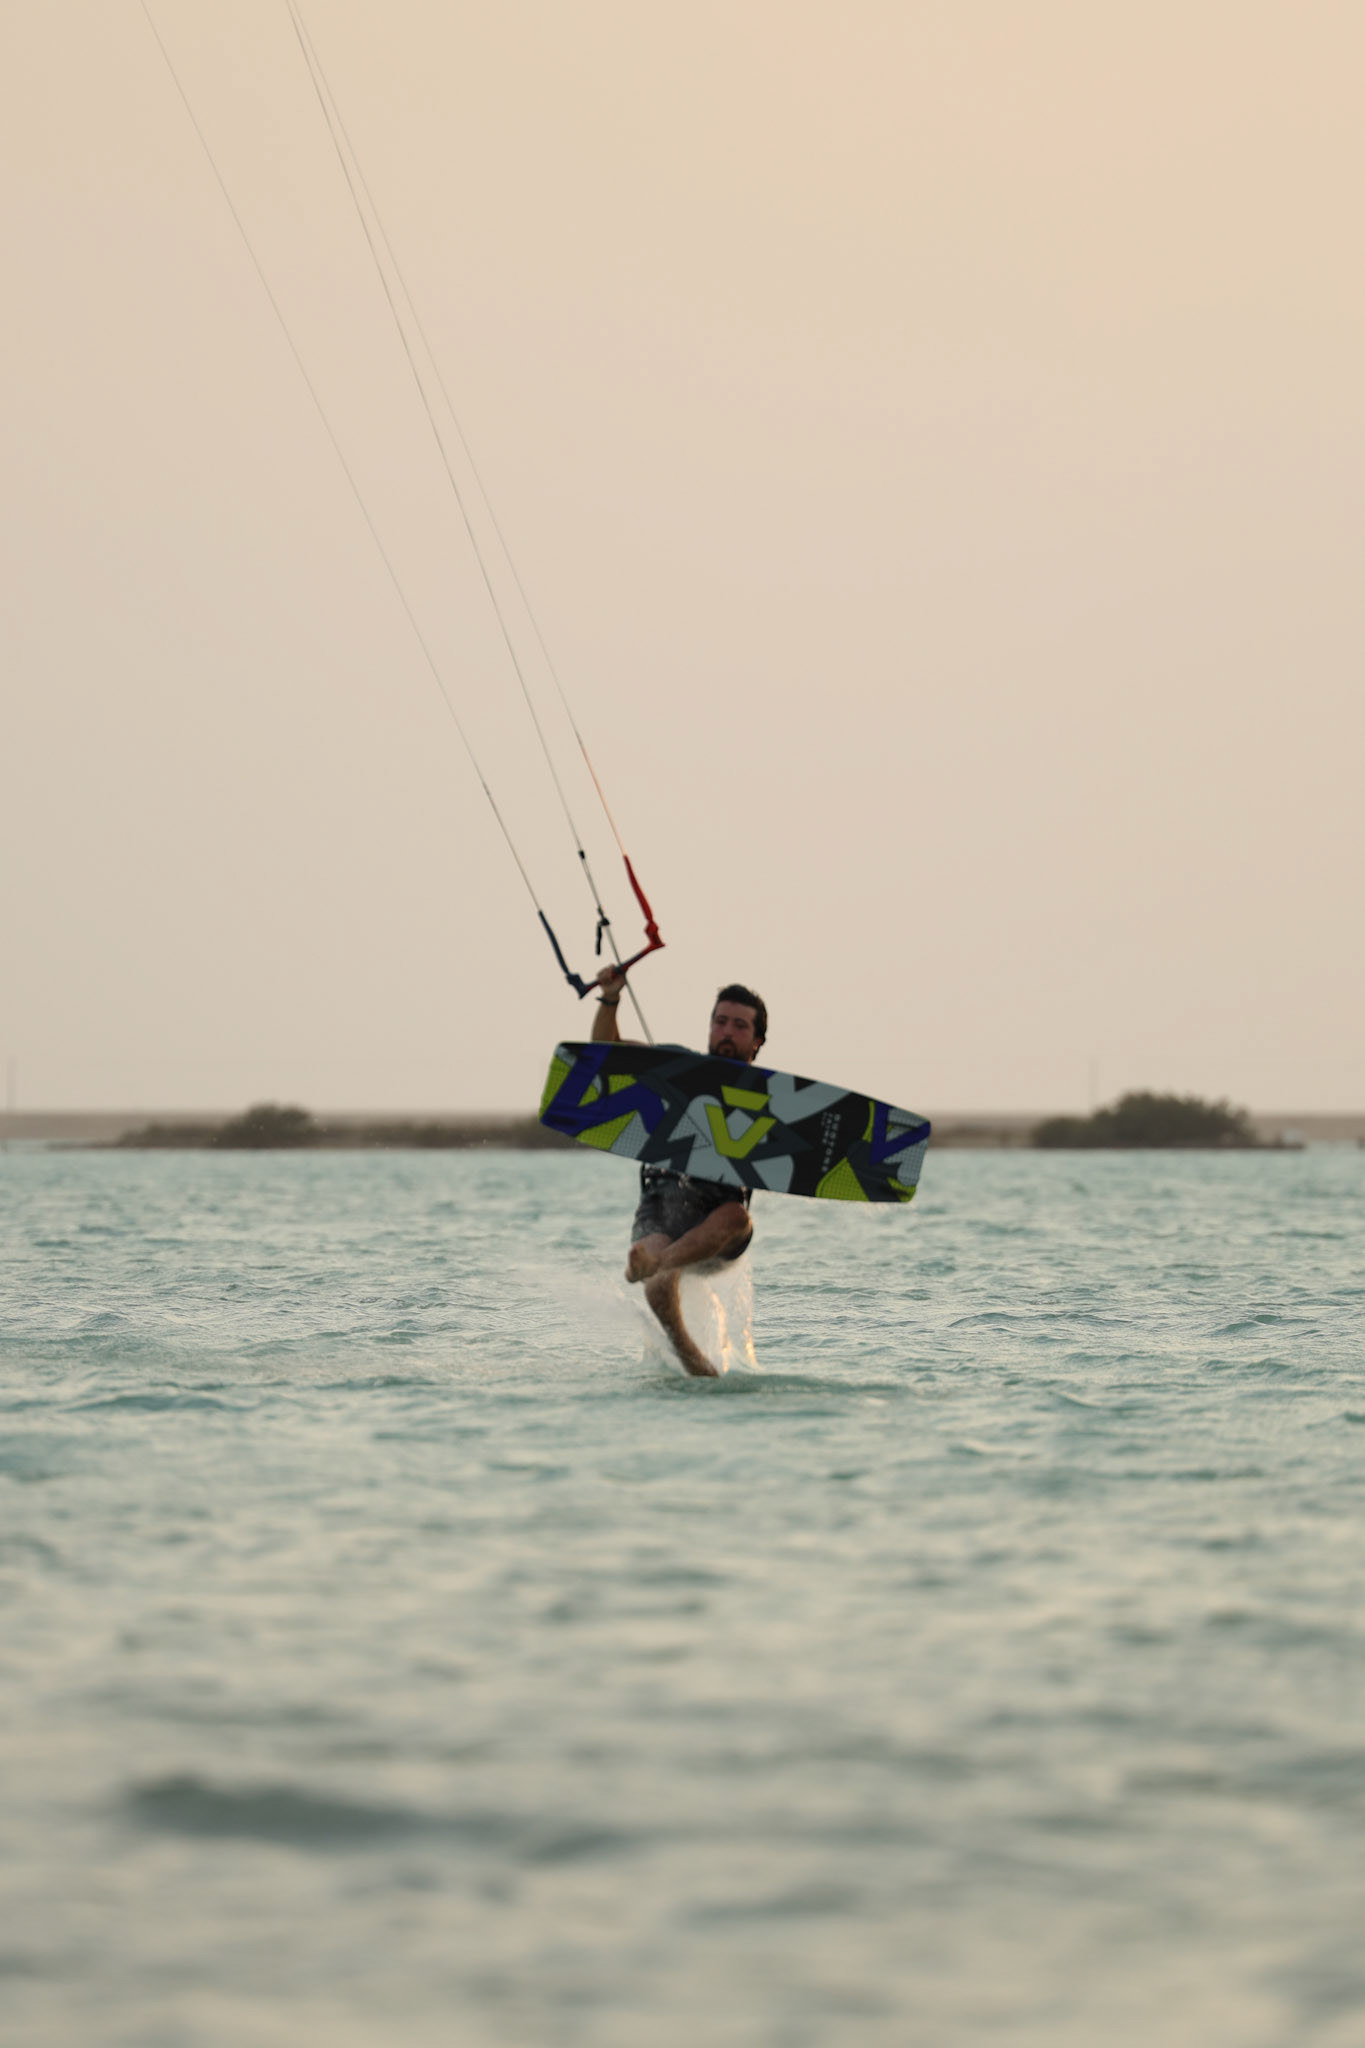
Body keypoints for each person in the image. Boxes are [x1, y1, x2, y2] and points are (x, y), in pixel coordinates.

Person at [591, 965, 768, 1377]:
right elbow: (604, 1053)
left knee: (737, 1218)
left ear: (757, 1041)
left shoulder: (771, 1097)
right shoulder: (677, 1066)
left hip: (719, 1221)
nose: (726, 1031)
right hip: (661, 1204)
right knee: (655, 1266)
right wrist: (611, 997)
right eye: (720, 1021)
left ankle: (658, 1262)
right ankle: (689, 1354)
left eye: (739, 1025)